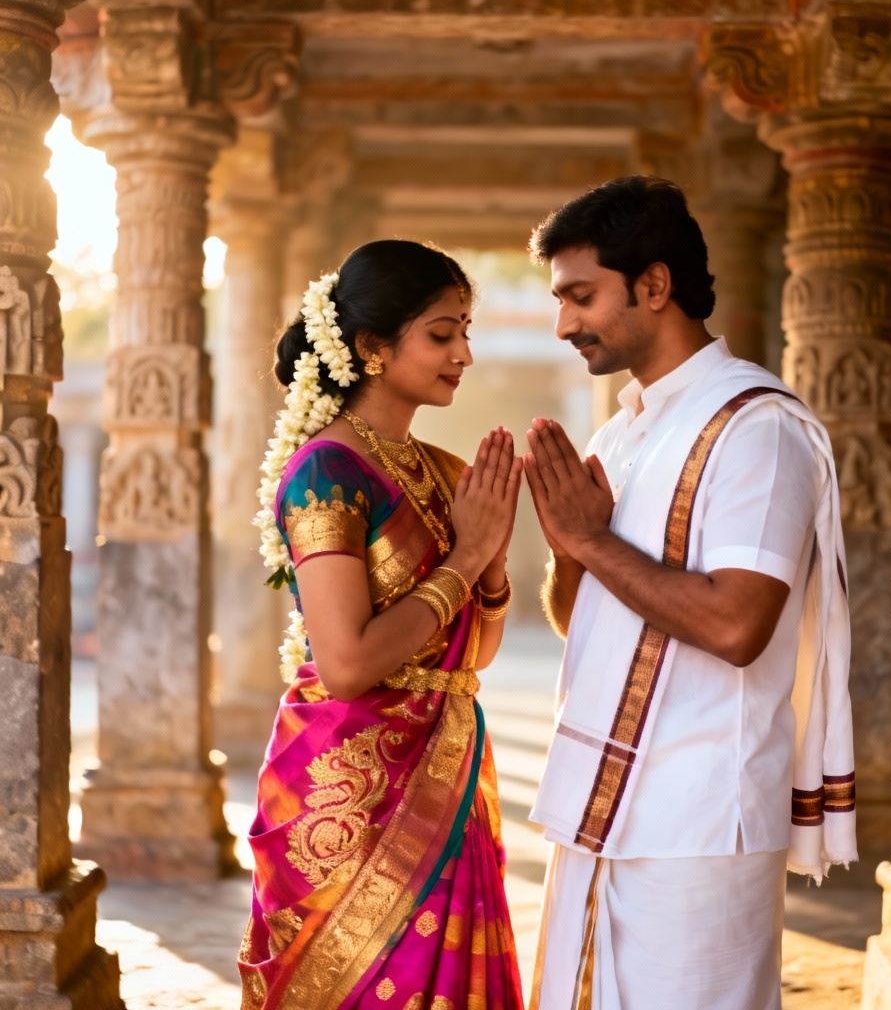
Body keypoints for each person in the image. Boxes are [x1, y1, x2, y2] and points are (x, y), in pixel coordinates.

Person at [521, 177, 857, 1010]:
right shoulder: (622, 429)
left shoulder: (756, 426)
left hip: (699, 820)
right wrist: (569, 549)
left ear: (655, 285)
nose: (564, 323)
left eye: (581, 295)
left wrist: (594, 540)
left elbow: (738, 623)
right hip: (604, 805)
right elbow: (582, 626)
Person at [238, 239, 525, 1010]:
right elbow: (346, 664)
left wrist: (492, 562)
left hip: (448, 761)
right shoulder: (327, 472)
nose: (464, 352)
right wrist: (466, 559)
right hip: (350, 793)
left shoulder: (444, 469)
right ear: (371, 347)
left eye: (466, 329)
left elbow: (472, 657)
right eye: (442, 333)